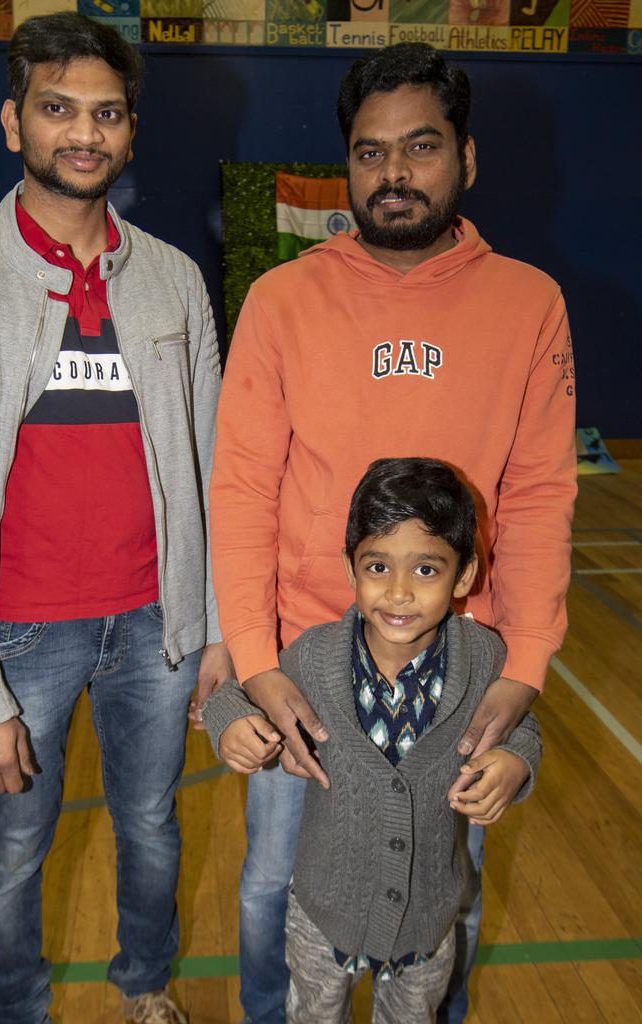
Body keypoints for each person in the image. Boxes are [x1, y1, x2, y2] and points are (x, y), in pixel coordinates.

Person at [206, 42, 575, 1024]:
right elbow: (240, 488)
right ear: (347, 165)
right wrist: (255, 659)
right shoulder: (283, 301)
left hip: (461, 676)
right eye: (370, 154)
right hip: (308, 676)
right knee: (270, 895)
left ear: (467, 158)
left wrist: (524, 664)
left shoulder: (530, 304)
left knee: (442, 900)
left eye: (419, 147)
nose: (394, 174)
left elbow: (539, 495)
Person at [0, 12, 229, 1024]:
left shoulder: (173, 278)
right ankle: (16, 1009)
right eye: (58, 109)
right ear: (12, 122)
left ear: (130, 131)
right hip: (19, 634)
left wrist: (213, 629)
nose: (84, 132)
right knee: (13, 852)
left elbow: (209, 468)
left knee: (153, 827)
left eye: (106, 113)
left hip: (154, 624)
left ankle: (144, 983)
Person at [204, 458, 542, 1024]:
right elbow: (232, 698)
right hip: (321, 915)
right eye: (378, 566)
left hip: (427, 924)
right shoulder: (315, 656)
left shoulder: (484, 658)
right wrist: (229, 726)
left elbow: (522, 729)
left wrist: (514, 761)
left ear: (464, 576)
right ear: (349, 568)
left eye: (427, 571)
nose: (400, 593)